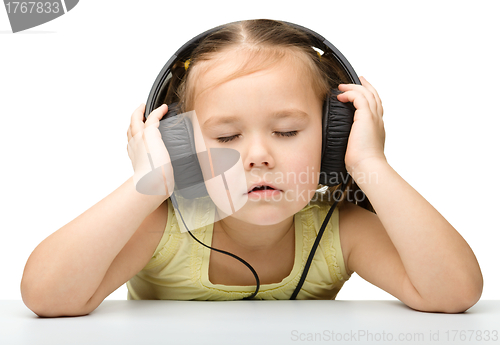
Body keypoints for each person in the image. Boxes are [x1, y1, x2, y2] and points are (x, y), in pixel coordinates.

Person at [20, 19, 483, 317]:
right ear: (180, 148)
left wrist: (367, 163)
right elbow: (46, 298)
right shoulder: (162, 229)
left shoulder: (340, 232)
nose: (259, 156)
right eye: (226, 138)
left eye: (286, 131)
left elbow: (453, 294)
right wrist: (150, 185)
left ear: (333, 137)